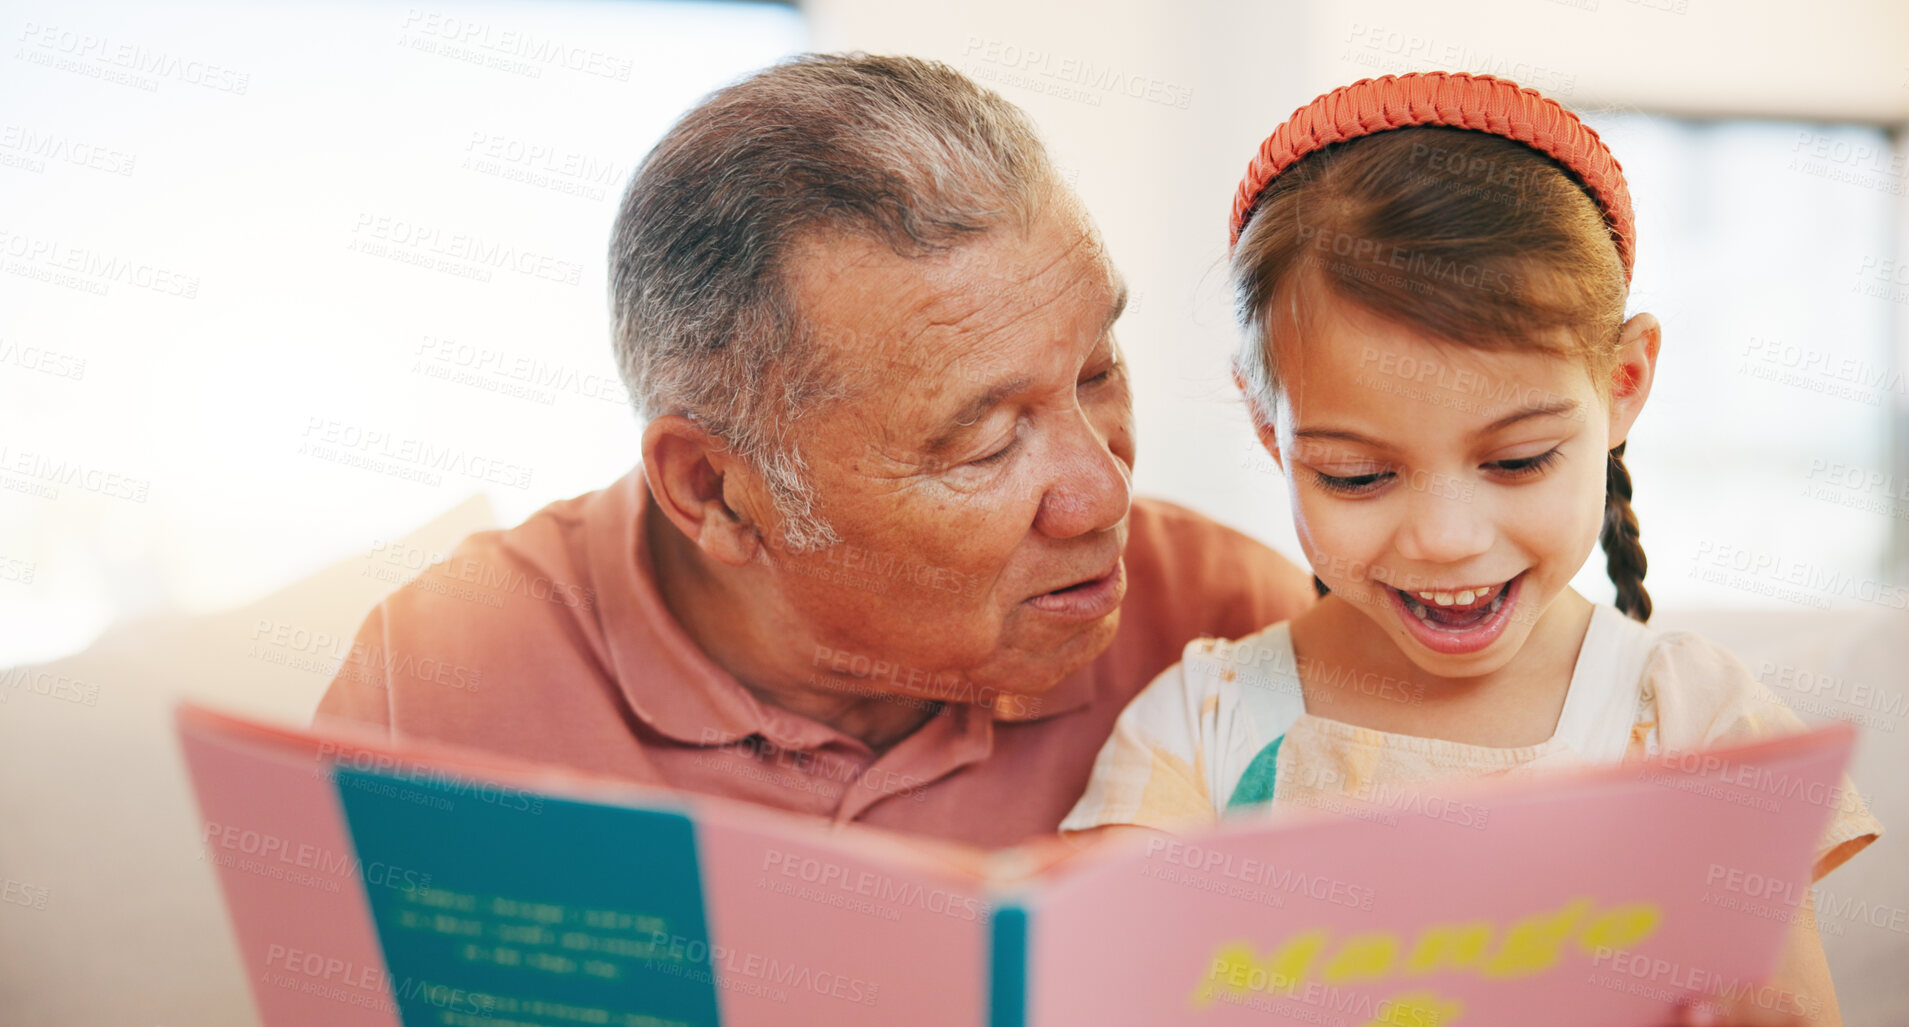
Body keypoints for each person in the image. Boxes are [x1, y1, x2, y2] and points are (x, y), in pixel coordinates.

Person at [311, 53, 1313, 848]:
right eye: (988, 442)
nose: (1104, 493)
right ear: (714, 490)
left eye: (1097, 370)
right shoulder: (440, 674)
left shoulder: (1239, 633)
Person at [1059, 72, 1882, 1024]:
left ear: (1621, 383)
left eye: (1518, 460)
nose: (1446, 540)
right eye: (1358, 476)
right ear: (1268, 428)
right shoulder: (1205, 725)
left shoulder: (1699, 727)